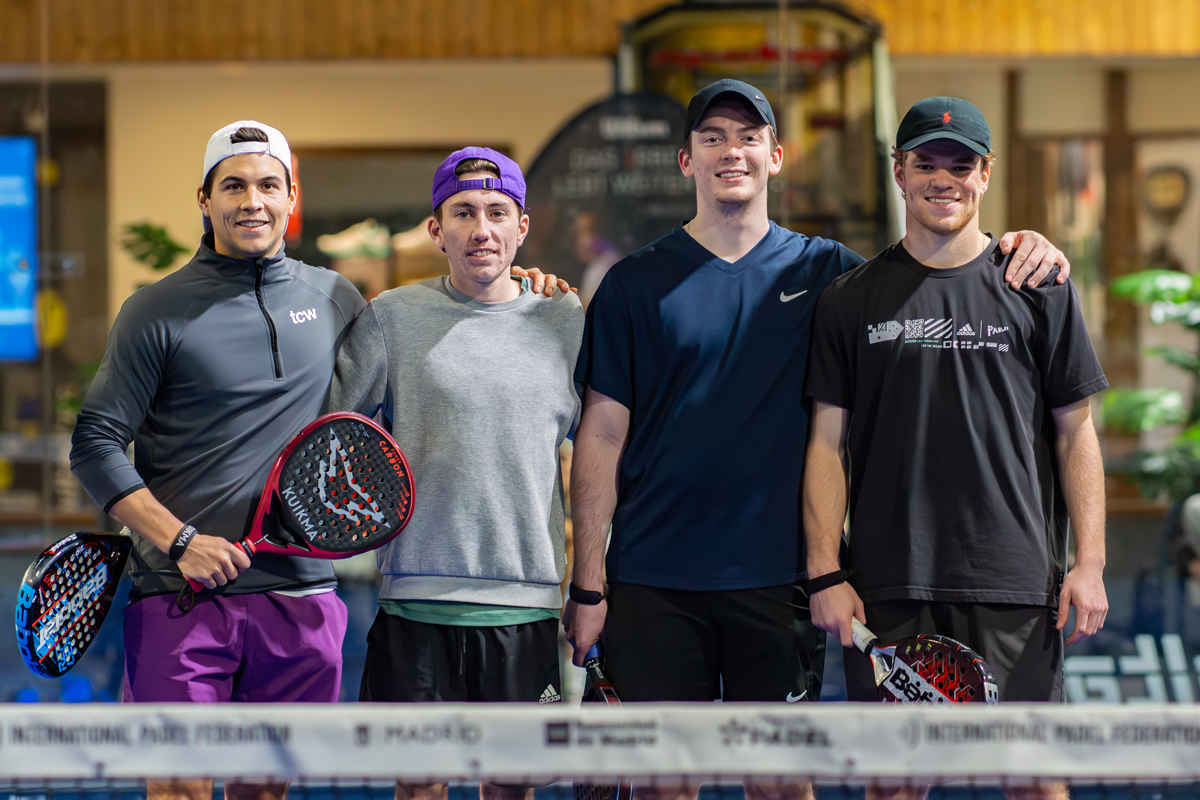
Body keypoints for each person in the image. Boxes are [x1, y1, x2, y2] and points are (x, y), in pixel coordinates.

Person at [563, 79, 1070, 800]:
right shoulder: (631, 284)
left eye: (747, 138)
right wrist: (589, 580)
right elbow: (602, 436)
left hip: (780, 581)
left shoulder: (832, 276)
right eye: (712, 138)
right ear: (685, 160)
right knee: (661, 785)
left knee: (779, 783)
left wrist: (1026, 244)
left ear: (777, 156)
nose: (730, 152)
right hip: (653, 578)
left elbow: (940, 263)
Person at [69, 123, 566, 800]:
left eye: (269, 184)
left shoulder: (338, 302)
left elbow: (438, 348)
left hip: (301, 598)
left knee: (266, 792)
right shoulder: (154, 310)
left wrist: (523, 282)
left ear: (291, 197)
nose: (253, 201)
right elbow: (95, 443)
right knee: (179, 789)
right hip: (182, 597)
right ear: (205, 200)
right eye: (234, 185)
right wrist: (178, 541)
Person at [803, 97, 1108, 800]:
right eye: (927, 164)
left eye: (961, 165)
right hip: (890, 584)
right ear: (900, 172)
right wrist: (825, 570)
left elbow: (1076, 429)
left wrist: (1089, 562)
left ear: (986, 174)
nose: (945, 179)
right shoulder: (850, 299)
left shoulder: (1039, 285)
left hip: (1014, 581)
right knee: (894, 786)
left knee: (1033, 781)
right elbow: (827, 443)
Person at [328, 147, 584, 800]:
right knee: (419, 789)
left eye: (498, 213)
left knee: (512, 788)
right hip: (416, 602)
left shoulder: (566, 321)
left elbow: (598, 452)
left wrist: (592, 576)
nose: (482, 229)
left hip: (524, 605)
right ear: (436, 229)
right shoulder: (390, 318)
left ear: (523, 227)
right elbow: (330, 440)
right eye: (463, 212)